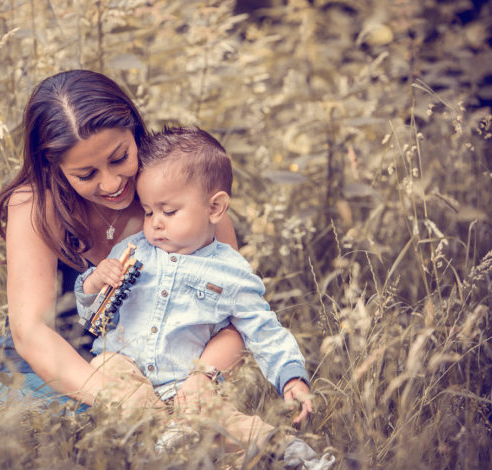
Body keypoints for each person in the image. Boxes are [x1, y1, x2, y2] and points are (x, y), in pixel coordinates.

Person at [0, 70, 246, 413]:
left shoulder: (183, 199)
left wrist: (202, 381)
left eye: (119, 158)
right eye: (86, 174)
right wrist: (126, 402)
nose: (111, 183)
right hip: (53, 369)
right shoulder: (35, 205)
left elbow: (234, 318)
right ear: (54, 168)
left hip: (168, 372)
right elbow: (31, 333)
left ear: (134, 131)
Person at [75, 127, 325, 459]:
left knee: (222, 419)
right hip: (128, 370)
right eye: (148, 212)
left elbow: (263, 329)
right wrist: (94, 283)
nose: (155, 223)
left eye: (169, 211)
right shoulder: (133, 251)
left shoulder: (230, 271)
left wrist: (291, 377)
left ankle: (292, 454)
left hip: (189, 384)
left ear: (215, 208)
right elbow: (91, 314)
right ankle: (166, 434)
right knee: (106, 365)